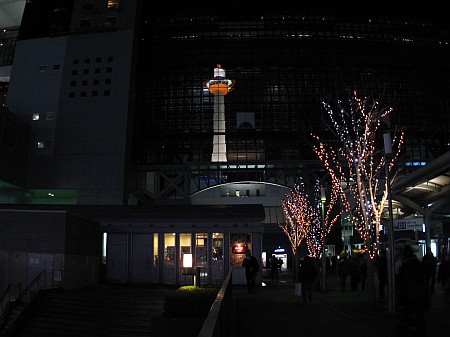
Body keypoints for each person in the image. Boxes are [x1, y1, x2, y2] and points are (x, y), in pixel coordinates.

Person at [396, 245, 429, 337]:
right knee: (419, 315)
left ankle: (407, 330)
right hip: (419, 294)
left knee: (405, 315)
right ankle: (420, 330)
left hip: (408, 295)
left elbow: (401, 283)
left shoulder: (405, 267)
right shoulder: (419, 265)